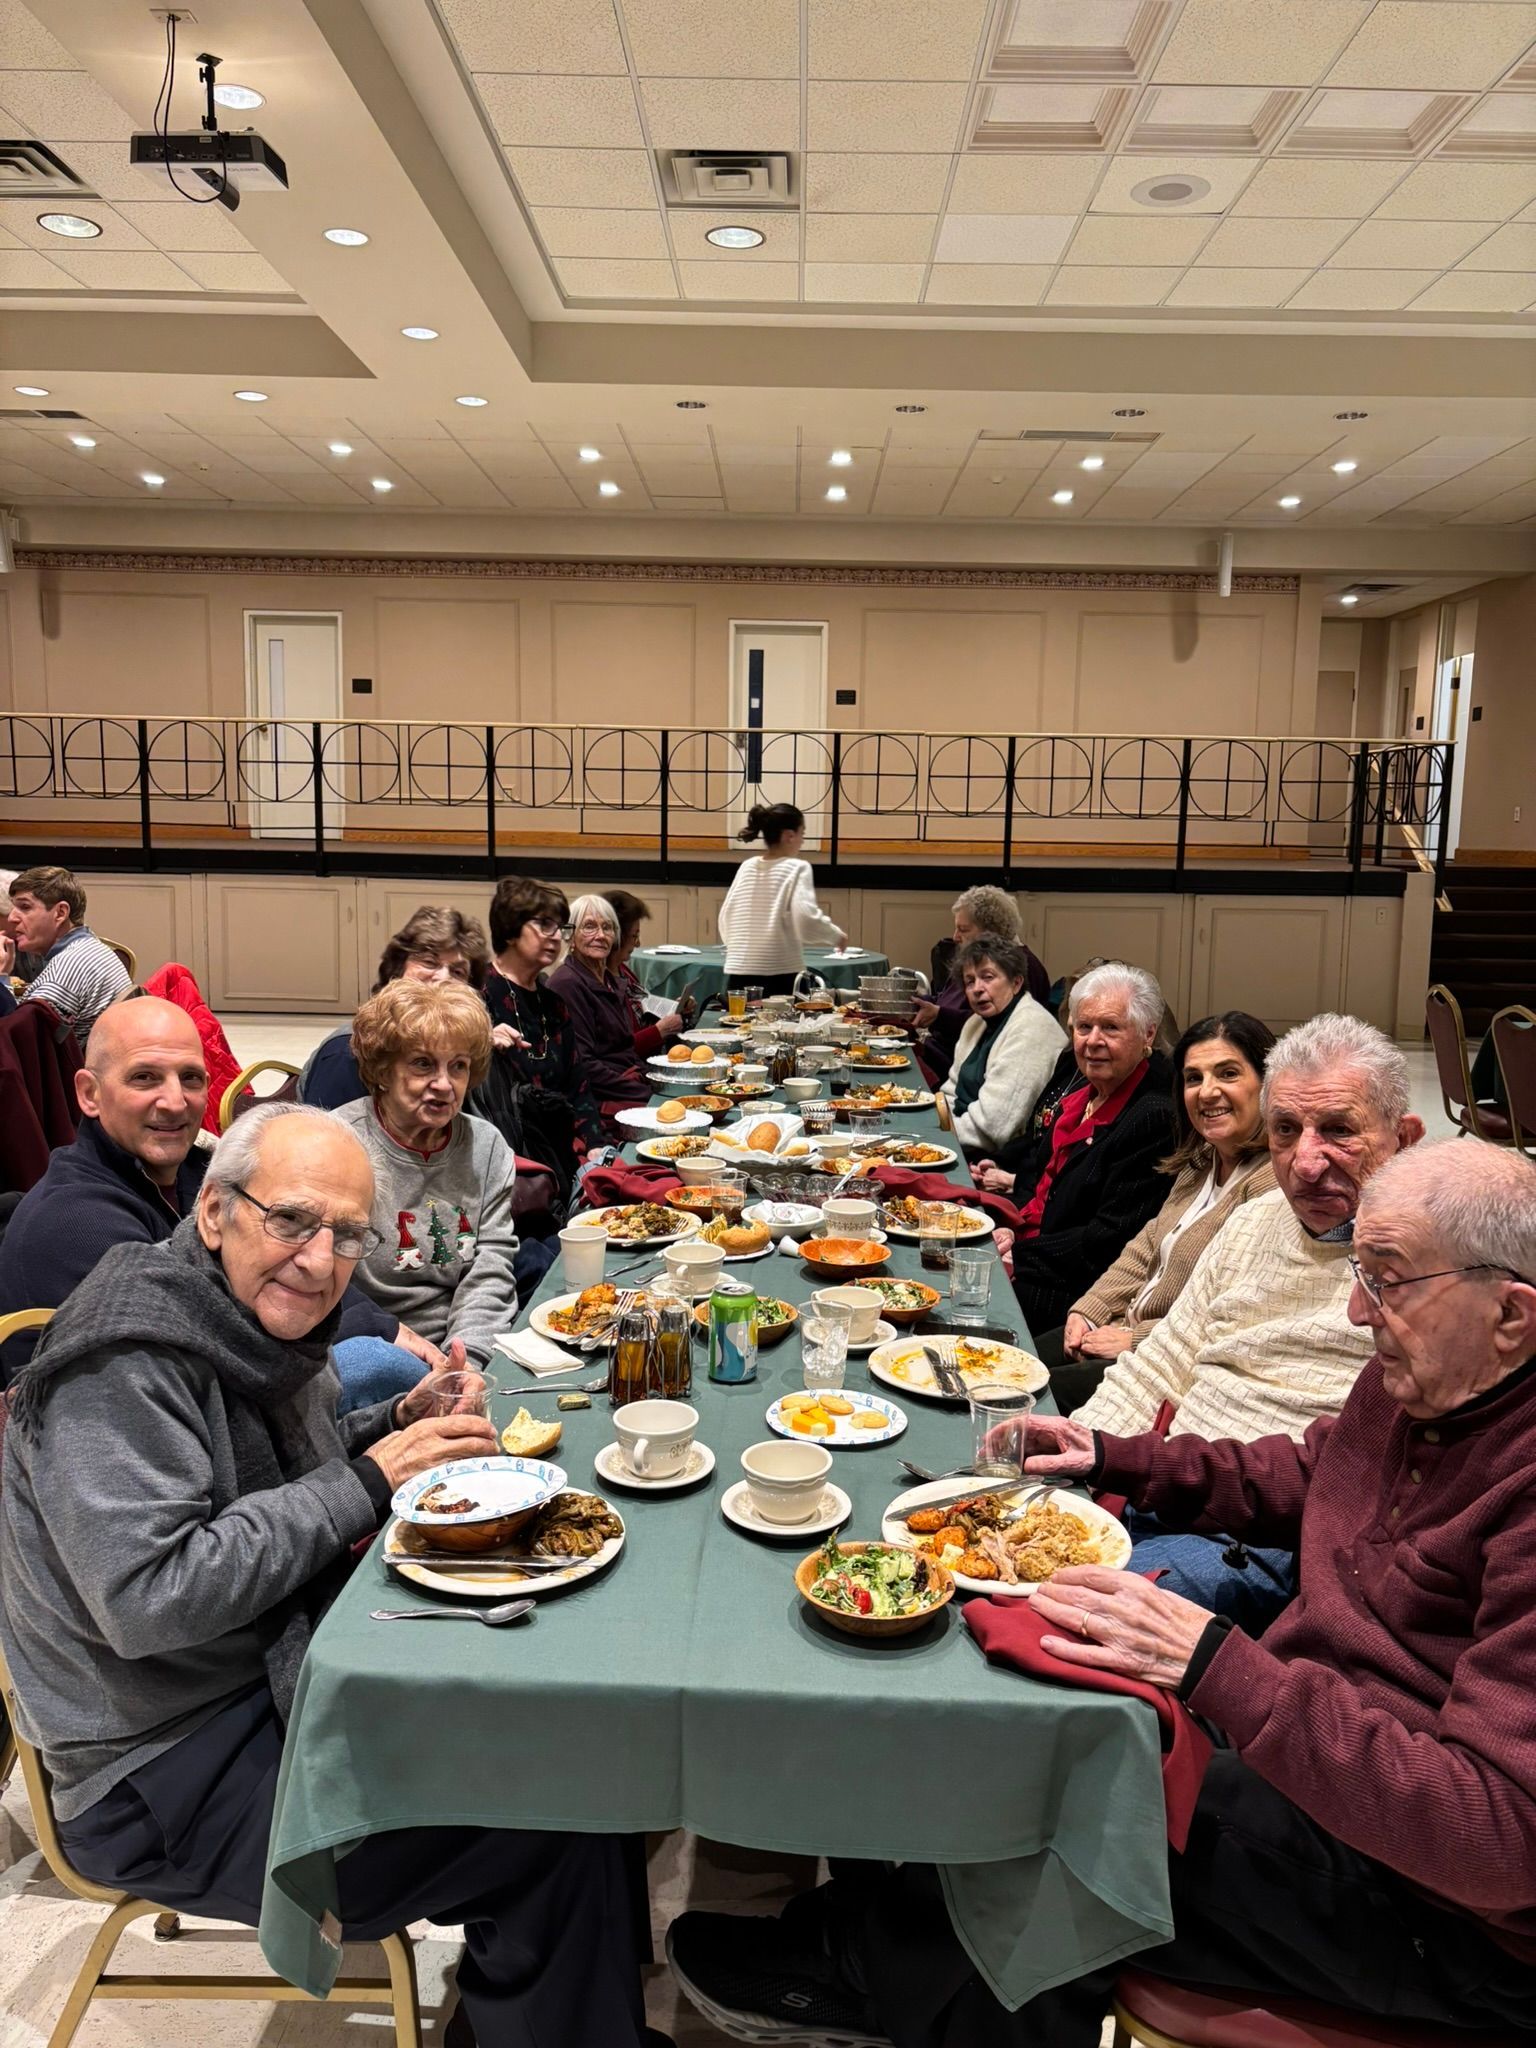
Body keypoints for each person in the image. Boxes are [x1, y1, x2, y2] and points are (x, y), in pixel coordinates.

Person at [668, 1140, 1536, 2048]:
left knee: (1078, 1801)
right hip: (1316, 1757)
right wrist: (1115, 1457)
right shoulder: (1425, 1379)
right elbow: (1314, 1474)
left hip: (1437, 1912)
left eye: (1386, 1281)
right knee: (1030, 1711)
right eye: (1360, 1273)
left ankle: (876, 1982)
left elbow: (1500, 1841)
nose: (1357, 1310)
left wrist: (1225, 1670)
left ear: (1511, 1314)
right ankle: (878, 1932)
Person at [0, 1104, 653, 2048]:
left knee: (575, 1734)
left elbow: (260, 1480)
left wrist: (394, 1426)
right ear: (215, 1210)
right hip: (157, 1773)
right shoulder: (125, 1359)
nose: (320, 1260)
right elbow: (153, 1597)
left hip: (254, 1688)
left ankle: (555, 2012)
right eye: (292, 1220)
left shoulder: (235, 1314)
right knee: (552, 1824)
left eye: (349, 1235)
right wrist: (369, 1478)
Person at [1072, 1012, 1424, 1620]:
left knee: (1066, 1620)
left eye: (1339, 1130)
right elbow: (1159, 1364)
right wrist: (1079, 1458)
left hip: (1261, 1540)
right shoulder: (1254, 1219)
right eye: (1285, 1130)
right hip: (1156, 1484)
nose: (1306, 1164)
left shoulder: (1433, 1271)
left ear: (1406, 1139)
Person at [0, 997, 441, 1407]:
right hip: (145, 1415)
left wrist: (382, 1324)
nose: (175, 1102)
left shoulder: (192, 1170)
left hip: (211, 1381)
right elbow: (224, 1345)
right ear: (89, 1094)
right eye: (144, 1077)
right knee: (380, 1369)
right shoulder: (76, 1223)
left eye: (190, 1078)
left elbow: (299, 1254)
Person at [1042, 1012, 1277, 1413]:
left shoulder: (1271, 1184)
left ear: (1268, 1082)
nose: (1207, 1092)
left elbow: (1231, 1310)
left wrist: (1134, 1339)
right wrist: (1090, 1309)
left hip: (1172, 1359)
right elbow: (1147, 1247)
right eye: (1194, 1078)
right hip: (1125, 1325)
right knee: (1008, 1360)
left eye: (1228, 1074)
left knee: (1026, 1397)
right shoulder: (1201, 1159)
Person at [976, 963, 1178, 1338]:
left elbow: (1108, 1241)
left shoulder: (1153, 1116)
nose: (1093, 1040)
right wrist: (1010, 1232)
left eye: (1111, 1028)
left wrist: (1017, 1256)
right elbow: (1040, 1183)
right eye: (1084, 1027)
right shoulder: (1084, 1093)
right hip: (1034, 1251)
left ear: (1148, 1033)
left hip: (1073, 1288)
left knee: (958, 1299)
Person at [335, 979, 519, 1364]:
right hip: (373, 1345)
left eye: (458, 1066)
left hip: (464, 1343)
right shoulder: (337, 1145)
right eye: (423, 1063)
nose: (444, 1085)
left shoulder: (486, 1147)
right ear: (382, 1070)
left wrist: (465, 1363)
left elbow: (489, 1271)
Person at [298, 905, 490, 1111]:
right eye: (429, 962)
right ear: (398, 968)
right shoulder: (347, 1052)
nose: (443, 978)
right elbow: (324, 1130)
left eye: (458, 972)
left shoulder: (461, 1051)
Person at [480, 876, 606, 1185]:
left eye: (560, 927)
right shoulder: (477, 995)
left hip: (559, 1150)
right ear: (511, 928)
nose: (557, 937)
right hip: (507, 1160)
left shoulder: (554, 1003)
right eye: (544, 925)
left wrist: (595, 1144)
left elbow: (578, 1085)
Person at [549, 894, 686, 1116]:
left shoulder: (610, 979)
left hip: (627, 1083)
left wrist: (657, 1082)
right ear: (570, 935)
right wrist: (648, 1093)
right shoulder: (567, 984)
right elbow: (584, 1066)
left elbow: (625, 1049)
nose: (601, 935)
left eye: (607, 927)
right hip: (599, 1101)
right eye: (589, 927)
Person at [937, 937, 1065, 1156]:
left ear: (1016, 983)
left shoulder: (1032, 1028)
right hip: (959, 1138)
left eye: (988, 977)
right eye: (969, 981)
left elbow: (994, 1127)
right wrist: (938, 1125)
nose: (977, 989)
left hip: (998, 1157)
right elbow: (950, 1093)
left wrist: (940, 1135)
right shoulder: (976, 1023)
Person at [913, 888, 1049, 1084]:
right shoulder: (975, 959)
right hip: (943, 1056)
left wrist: (940, 1016)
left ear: (991, 931)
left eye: (963, 929)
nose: (955, 937)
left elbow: (996, 1029)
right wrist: (912, 1003)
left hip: (963, 1069)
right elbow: (948, 1000)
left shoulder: (1022, 968)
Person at [718, 802, 846, 998]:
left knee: (739, 1018)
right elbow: (805, 918)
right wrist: (836, 936)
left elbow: (726, 916)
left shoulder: (747, 866)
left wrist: (741, 949)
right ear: (789, 835)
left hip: (738, 974)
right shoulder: (797, 868)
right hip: (780, 974)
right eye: (802, 833)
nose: (802, 841)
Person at [3, 865, 131, 1045]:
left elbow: (17, 1045)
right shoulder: (89, 947)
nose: (12, 918)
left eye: (25, 907)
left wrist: (0, 977)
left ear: (60, 913)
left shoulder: (68, 968)